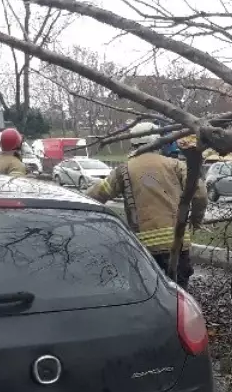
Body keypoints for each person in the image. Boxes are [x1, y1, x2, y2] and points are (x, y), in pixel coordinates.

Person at [86, 122, 207, 289]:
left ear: (133, 143)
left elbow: (99, 193)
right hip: (177, 245)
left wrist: (70, 202)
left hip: (144, 249)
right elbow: (199, 192)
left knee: (149, 294)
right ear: (157, 141)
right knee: (179, 296)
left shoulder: (124, 170)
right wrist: (196, 220)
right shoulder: (175, 165)